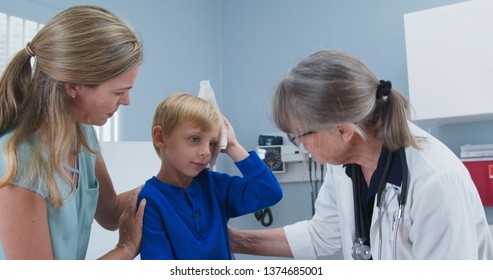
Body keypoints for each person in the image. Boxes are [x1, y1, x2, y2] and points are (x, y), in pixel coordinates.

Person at [228, 49, 493, 260]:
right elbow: (321, 234)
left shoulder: (435, 181)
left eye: (299, 134)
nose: (298, 144)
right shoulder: (344, 163)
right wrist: (234, 240)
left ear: (343, 130)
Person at [0, 5, 146, 260]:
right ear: (73, 86)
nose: (127, 101)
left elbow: (111, 213)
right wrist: (126, 248)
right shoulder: (18, 168)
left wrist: (173, 180)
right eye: (118, 92)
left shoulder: (83, 133)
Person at [137, 92, 283, 260]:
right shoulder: (149, 201)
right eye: (194, 139)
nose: (206, 152)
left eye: (212, 143)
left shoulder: (216, 186)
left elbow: (270, 192)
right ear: (161, 137)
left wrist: (233, 146)